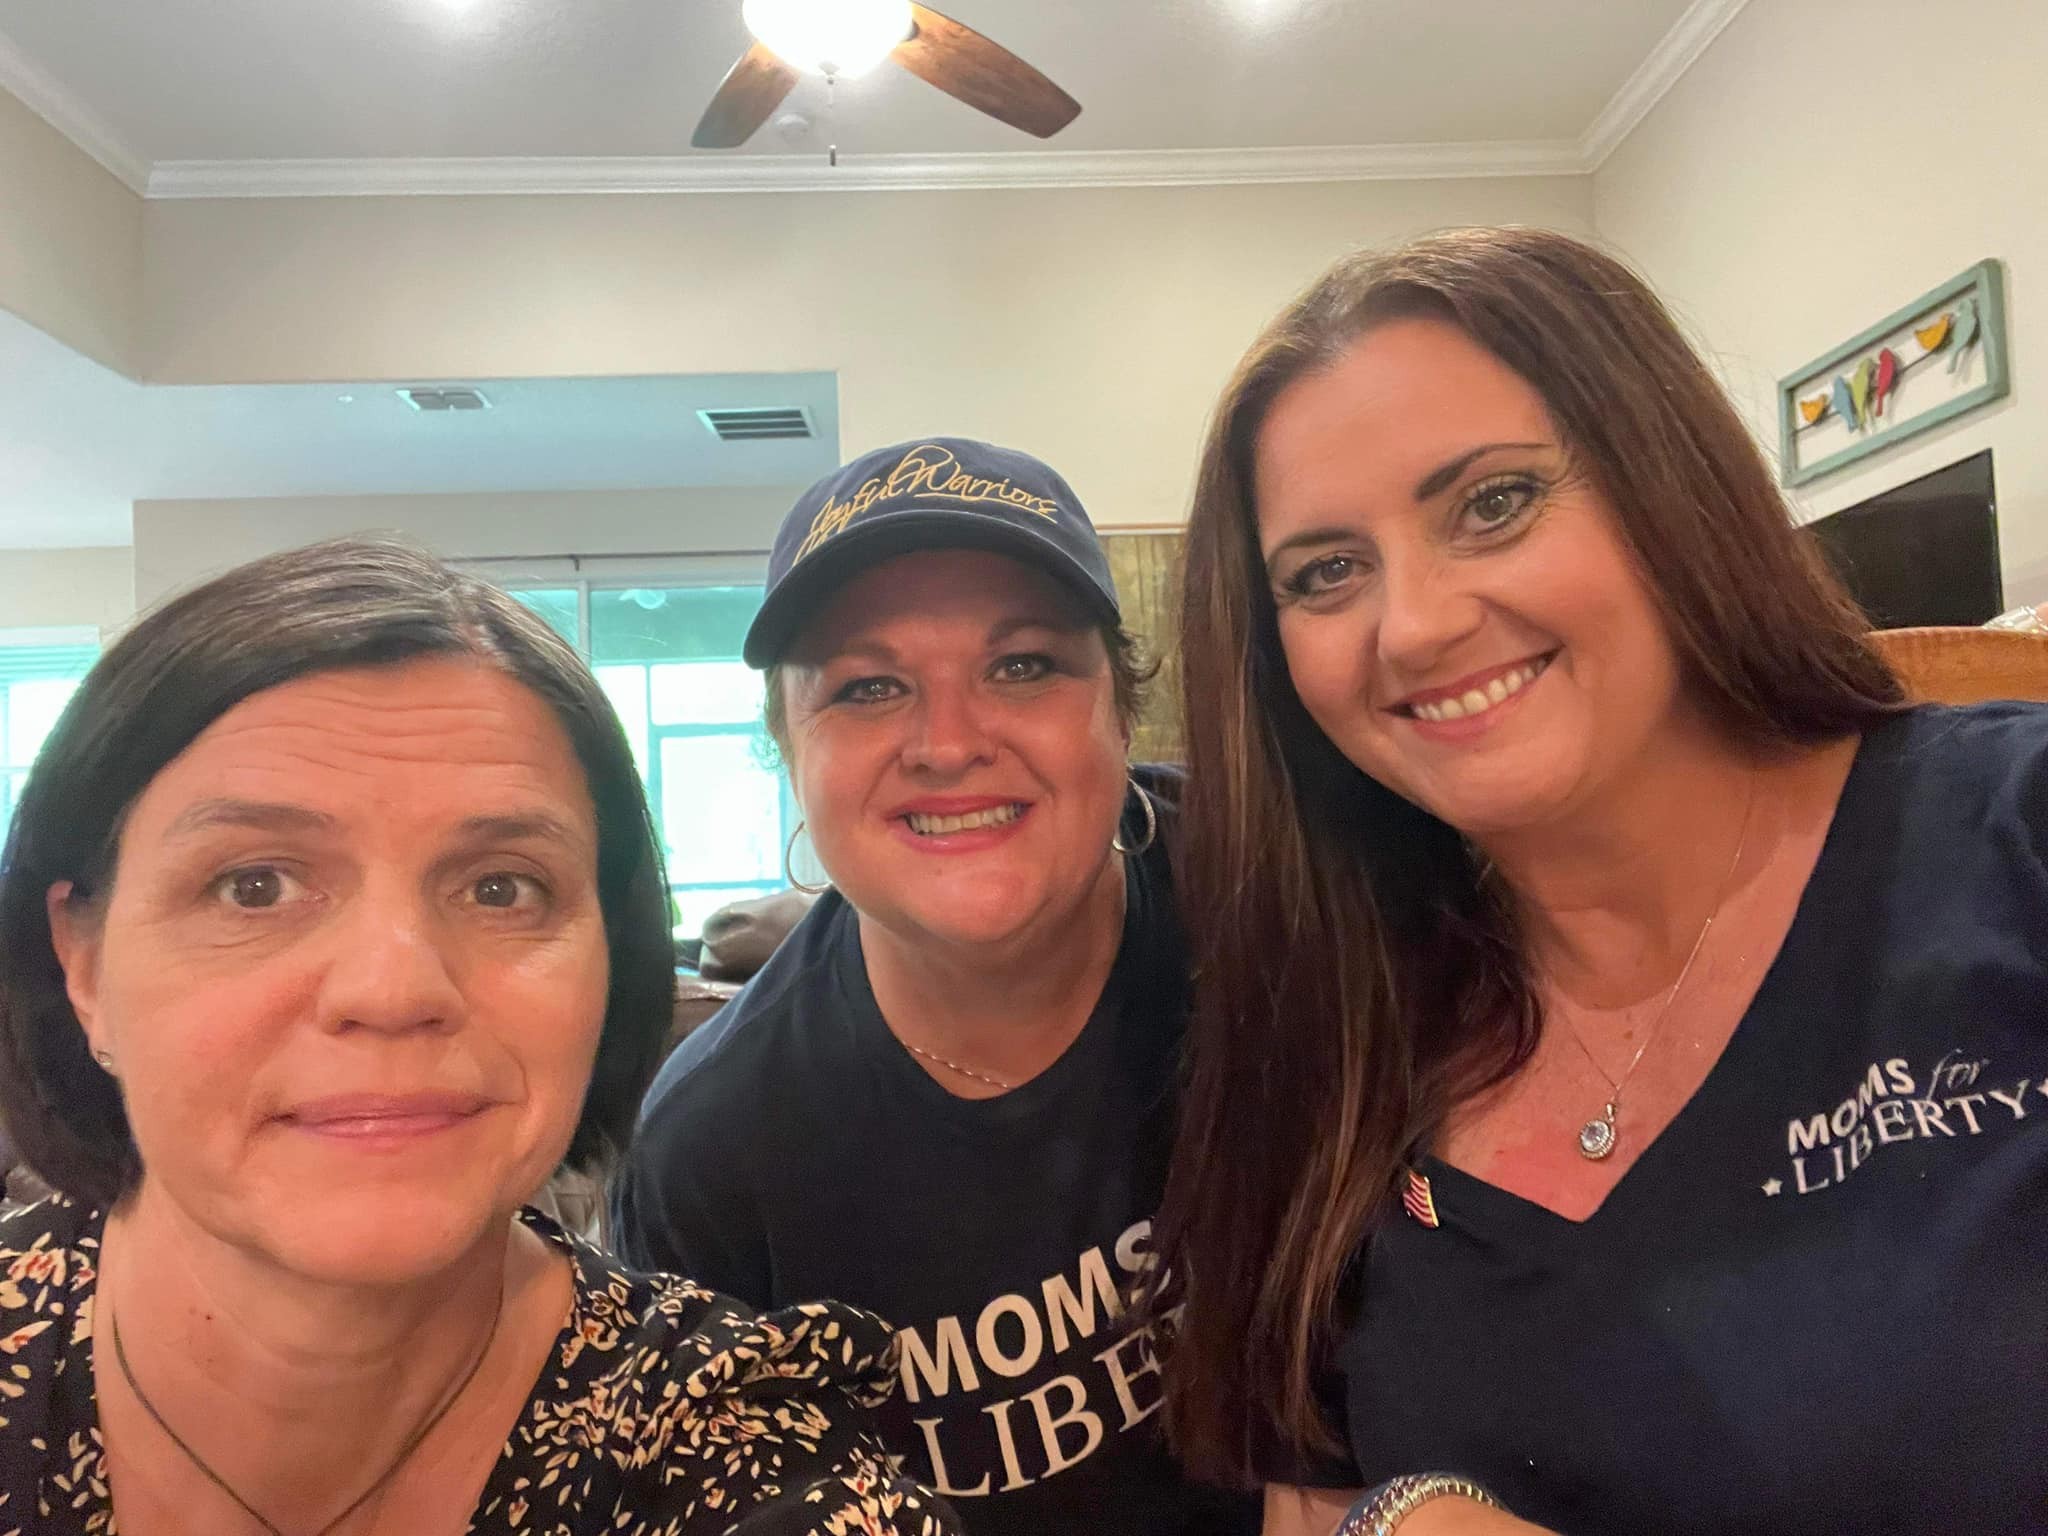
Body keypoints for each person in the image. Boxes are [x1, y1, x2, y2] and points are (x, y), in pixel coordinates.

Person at [1151, 227, 2048, 1536]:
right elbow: (1312, 1490)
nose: (1416, 624)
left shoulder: (2014, 837)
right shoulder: (1332, 1039)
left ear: (1664, 482)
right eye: (1327, 571)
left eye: (1493, 504)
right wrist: (1395, 1515)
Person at [0, 537, 958, 1536]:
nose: (394, 989)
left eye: (501, 888)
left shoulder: (731, 1451)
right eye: (255, 886)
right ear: (82, 962)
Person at [611, 439, 1258, 1535]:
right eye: (868, 687)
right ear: (789, 755)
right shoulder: (715, 1152)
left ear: (1119, 709)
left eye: (1023, 666)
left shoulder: (1276, 904)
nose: (948, 744)